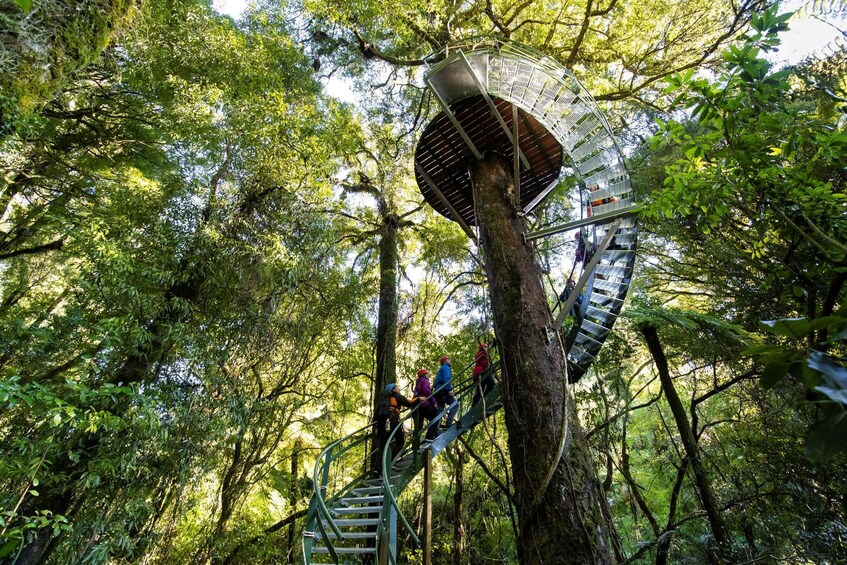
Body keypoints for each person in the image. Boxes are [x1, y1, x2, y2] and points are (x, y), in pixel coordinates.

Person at [374, 383, 420, 474]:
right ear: (393, 389)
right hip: (393, 421)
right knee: (400, 441)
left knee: (383, 445)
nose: (398, 388)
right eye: (397, 387)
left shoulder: (382, 399)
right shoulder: (396, 396)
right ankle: (390, 462)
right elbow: (409, 403)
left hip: (382, 424)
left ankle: (377, 469)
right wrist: (419, 398)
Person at [413, 369, 439, 441]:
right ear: (424, 374)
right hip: (425, 404)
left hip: (417, 406)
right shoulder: (425, 381)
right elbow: (427, 391)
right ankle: (429, 436)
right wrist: (434, 402)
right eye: (427, 373)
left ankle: (415, 446)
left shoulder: (418, 382)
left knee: (418, 426)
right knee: (436, 416)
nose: (429, 374)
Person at [433, 355, 459, 428]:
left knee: (440, 411)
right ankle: (449, 423)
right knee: (455, 405)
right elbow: (446, 379)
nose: (450, 361)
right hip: (443, 390)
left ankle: (434, 430)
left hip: (438, 391)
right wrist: (449, 390)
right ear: (445, 361)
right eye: (448, 359)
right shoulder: (445, 367)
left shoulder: (441, 369)